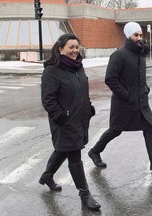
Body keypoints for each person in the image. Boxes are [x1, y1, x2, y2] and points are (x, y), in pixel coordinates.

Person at [88, 22, 152, 174]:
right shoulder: (119, 55)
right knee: (115, 130)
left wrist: (145, 90)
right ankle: (94, 151)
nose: (139, 38)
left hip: (141, 101)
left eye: (140, 35)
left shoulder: (140, 54)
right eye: (136, 35)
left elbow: (140, 77)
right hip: (124, 103)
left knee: (149, 127)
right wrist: (126, 95)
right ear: (128, 35)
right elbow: (110, 79)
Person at [40, 33, 101, 211]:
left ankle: (47, 176)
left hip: (80, 118)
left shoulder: (78, 67)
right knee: (74, 154)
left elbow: (83, 91)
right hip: (64, 121)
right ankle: (85, 195)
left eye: (76, 47)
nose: (75, 51)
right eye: (71, 47)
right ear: (60, 49)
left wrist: (88, 108)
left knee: (62, 150)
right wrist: (61, 116)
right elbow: (48, 99)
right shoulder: (52, 70)